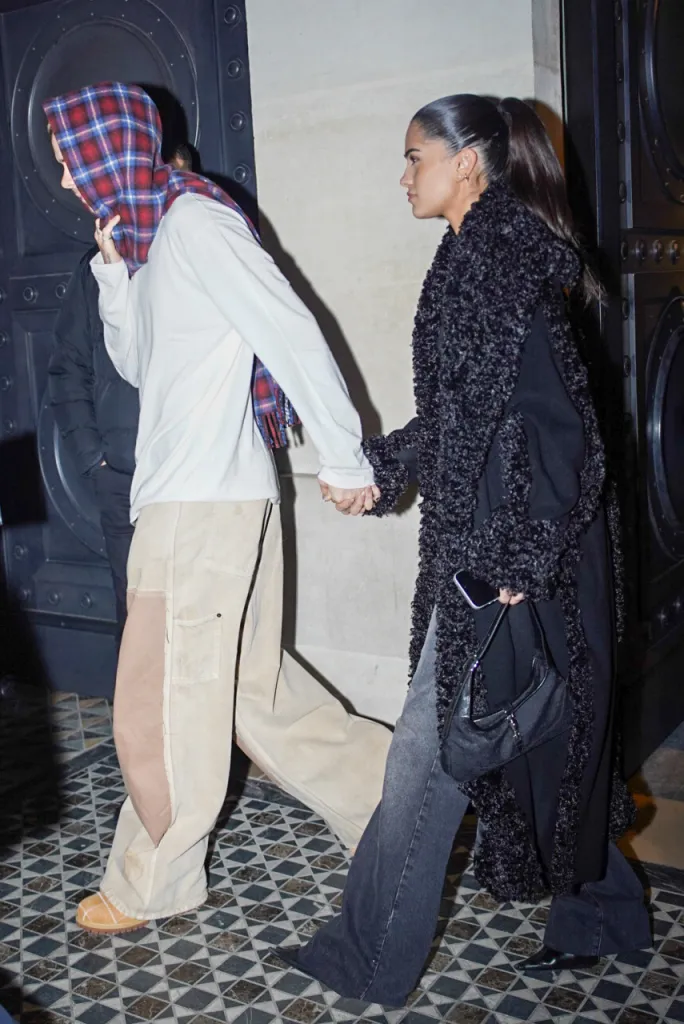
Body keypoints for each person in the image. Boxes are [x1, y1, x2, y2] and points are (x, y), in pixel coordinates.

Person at [276, 95, 651, 1007]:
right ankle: (602, 916)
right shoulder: (467, 259)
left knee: (426, 755)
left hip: (516, 559)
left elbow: (572, 440)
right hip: (500, 545)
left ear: (469, 163)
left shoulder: (501, 265)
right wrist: (377, 465)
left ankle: (368, 958)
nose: (403, 175)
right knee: (557, 743)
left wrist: (516, 566)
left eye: (415, 157)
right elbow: (459, 421)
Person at [44, 82, 392, 934]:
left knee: (156, 702)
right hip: (201, 499)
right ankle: (402, 801)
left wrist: (343, 453)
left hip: (199, 506)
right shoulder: (157, 239)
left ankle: (153, 881)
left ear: (111, 150)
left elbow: (290, 326)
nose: (64, 182)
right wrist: (114, 274)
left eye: (70, 162)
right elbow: (136, 365)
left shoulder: (197, 222)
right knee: (250, 693)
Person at [48, 142, 193, 638]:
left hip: (192, 472)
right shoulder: (96, 268)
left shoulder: (199, 251)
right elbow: (68, 367)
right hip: (122, 478)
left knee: (197, 618)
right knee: (135, 621)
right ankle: (141, 719)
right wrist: (96, 457)